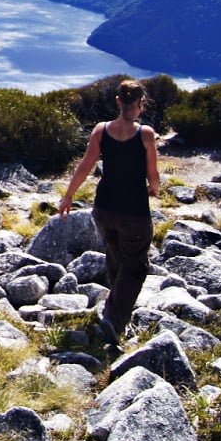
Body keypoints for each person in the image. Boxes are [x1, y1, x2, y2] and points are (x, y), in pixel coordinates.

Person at [57, 79, 160, 348]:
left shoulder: (101, 131)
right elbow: (154, 176)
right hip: (134, 212)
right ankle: (114, 322)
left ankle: (113, 312)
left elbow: (84, 167)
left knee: (115, 258)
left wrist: (69, 196)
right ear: (140, 104)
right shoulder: (146, 134)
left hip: (103, 209)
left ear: (117, 102)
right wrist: (155, 189)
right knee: (136, 266)